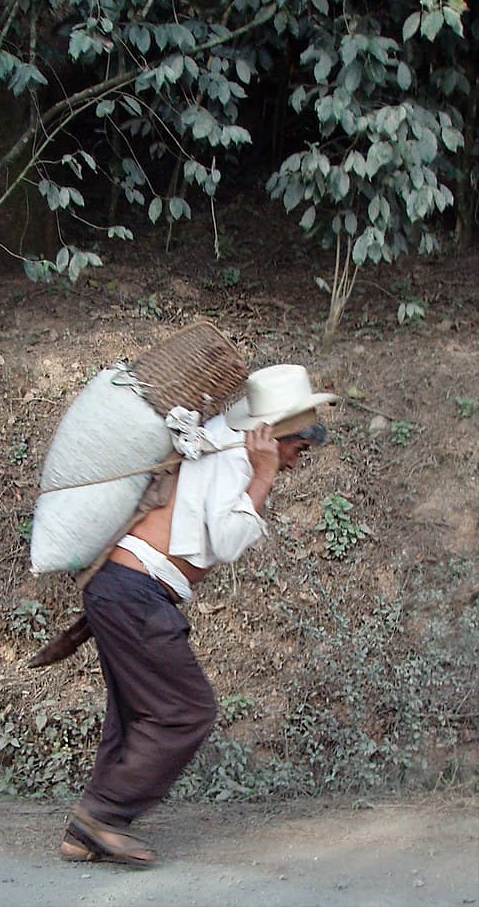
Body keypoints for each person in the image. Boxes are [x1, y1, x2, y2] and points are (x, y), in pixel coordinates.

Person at [60, 364, 337, 866]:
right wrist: (264, 474)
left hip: (124, 591)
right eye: (300, 447)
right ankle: (101, 818)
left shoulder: (221, 445)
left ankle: (88, 831)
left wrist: (261, 471)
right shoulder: (236, 461)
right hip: (134, 591)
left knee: (134, 713)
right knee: (186, 710)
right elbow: (228, 541)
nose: (299, 460)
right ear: (273, 437)